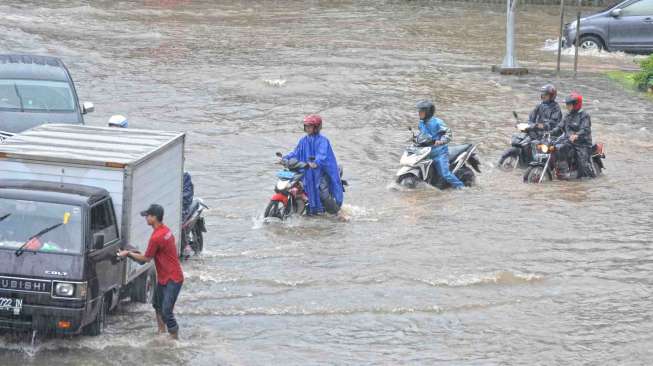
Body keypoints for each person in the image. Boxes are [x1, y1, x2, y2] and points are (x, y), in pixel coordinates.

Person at [118, 204, 184, 339]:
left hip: (173, 279)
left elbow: (145, 259)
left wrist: (128, 254)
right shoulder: (165, 230)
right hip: (164, 277)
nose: (145, 218)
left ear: (154, 217)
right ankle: (161, 333)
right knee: (157, 306)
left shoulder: (156, 237)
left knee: (166, 311)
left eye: (147, 216)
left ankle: (175, 340)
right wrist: (133, 253)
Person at [283, 115, 344, 216]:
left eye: (310, 126)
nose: (307, 128)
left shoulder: (323, 140)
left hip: (322, 171)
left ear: (316, 127)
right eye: (306, 126)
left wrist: (316, 163)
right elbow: (295, 153)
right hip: (308, 170)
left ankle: (339, 213)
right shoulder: (303, 140)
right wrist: (285, 158)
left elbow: (322, 155)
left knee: (322, 194)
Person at [416, 100, 464, 189]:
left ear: (428, 112)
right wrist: (416, 139)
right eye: (419, 111)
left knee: (445, 174)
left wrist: (441, 141)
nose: (419, 113)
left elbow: (448, 133)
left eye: (421, 111)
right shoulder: (421, 123)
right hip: (426, 152)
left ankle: (461, 187)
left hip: (440, 153)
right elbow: (421, 135)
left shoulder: (437, 122)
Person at [551, 92, 595, 179]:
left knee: (583, 166)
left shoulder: (584, 116)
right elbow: (560, 127)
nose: (567, 106)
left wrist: (577, 135)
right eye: (566, 104)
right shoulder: (567, 115)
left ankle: (589, 176)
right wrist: (550, 132)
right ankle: (561, 170)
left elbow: (585, 129)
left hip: (582, 143)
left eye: (569, 104)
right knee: (557, 147)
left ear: (576, 104)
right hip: (568, 141)